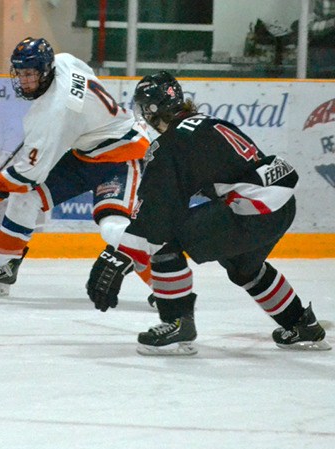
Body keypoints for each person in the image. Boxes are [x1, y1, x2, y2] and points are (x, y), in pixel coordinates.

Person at [86, 71, 330, 356]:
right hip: (279, 206)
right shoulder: (209, 123)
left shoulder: (170, 145)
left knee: (166, 242)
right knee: (243, 267)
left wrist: (121, 255)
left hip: (253, 211)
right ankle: (302, 325)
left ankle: (177, 324)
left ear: (152, 110)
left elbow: (158, 215)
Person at [0, 36, 151, 296]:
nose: (24, 80)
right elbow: (87, 74)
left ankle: (165, 289)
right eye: (20, 73)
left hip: (122, 155)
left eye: (30, 74)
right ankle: (3, 267)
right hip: (86, 152)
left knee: (112, 227)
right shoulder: (63, 60)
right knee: (24, 198)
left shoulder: (54, 111)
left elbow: (29, 174)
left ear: (45, 71)